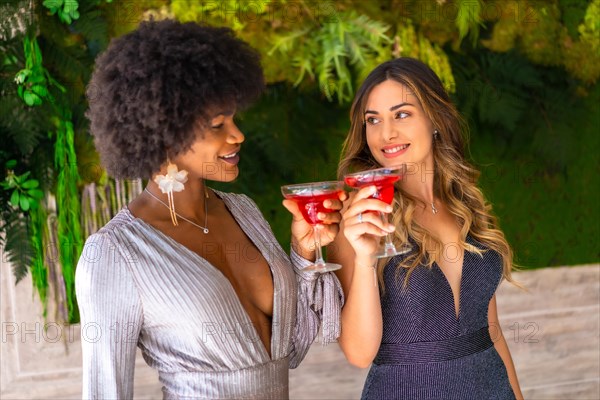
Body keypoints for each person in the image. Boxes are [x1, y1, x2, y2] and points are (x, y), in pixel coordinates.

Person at [76, 19, 343, 399]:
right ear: (163, 129)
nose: (237, 135)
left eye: (233, 118)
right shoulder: (115, 254)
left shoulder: (243, 212)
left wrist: (302, 251)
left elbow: (289, 351)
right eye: (217, 124)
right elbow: (105, 392)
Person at [329, 57, 523, 399]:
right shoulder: (362, 217)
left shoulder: (467, 206)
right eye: (372, 120)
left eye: (401, 114)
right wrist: (363, 258)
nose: (386, 133)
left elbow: (490, 330)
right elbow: (359, 354)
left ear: (435, 117)